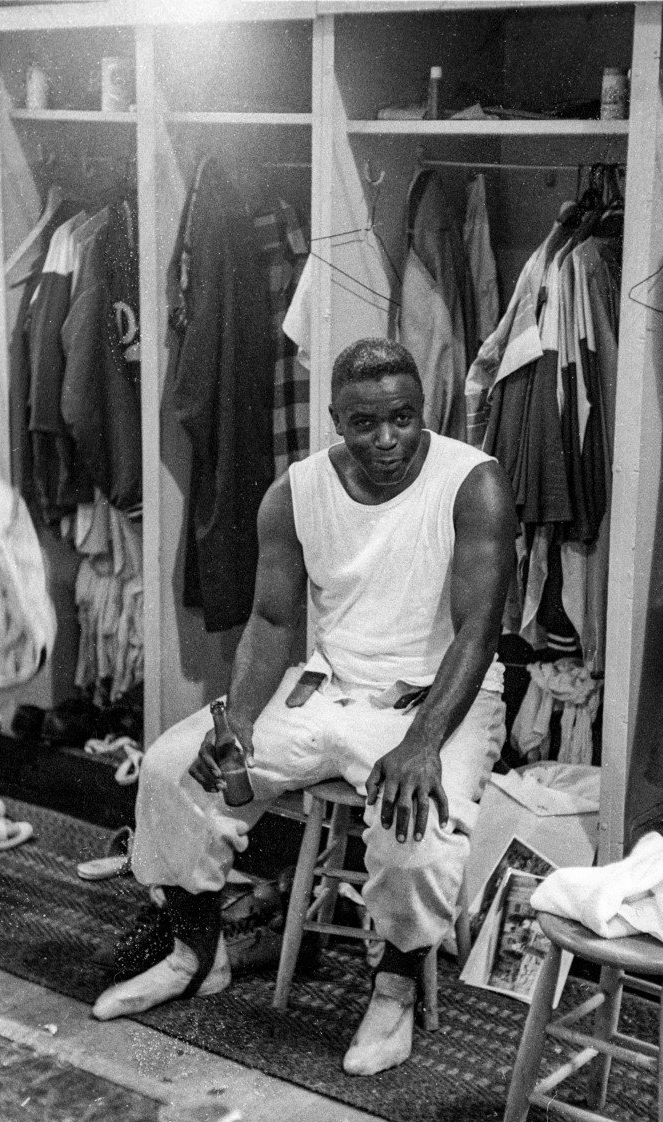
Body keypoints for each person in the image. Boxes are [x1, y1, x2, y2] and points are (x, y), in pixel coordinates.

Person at [93, 338, 516, 1076]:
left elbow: (479, 631)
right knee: (171, 770)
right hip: (330, 684)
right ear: (334, 420)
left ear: (424, 411)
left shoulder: (471, 483)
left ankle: (394, 993)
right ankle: (198, 953)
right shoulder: (295, 492)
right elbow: (273, 621)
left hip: (438, 699)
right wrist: (243, 722)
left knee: (415, 825)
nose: (386, 439)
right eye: (364, 423)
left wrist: (421, 742)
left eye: (403, 418)